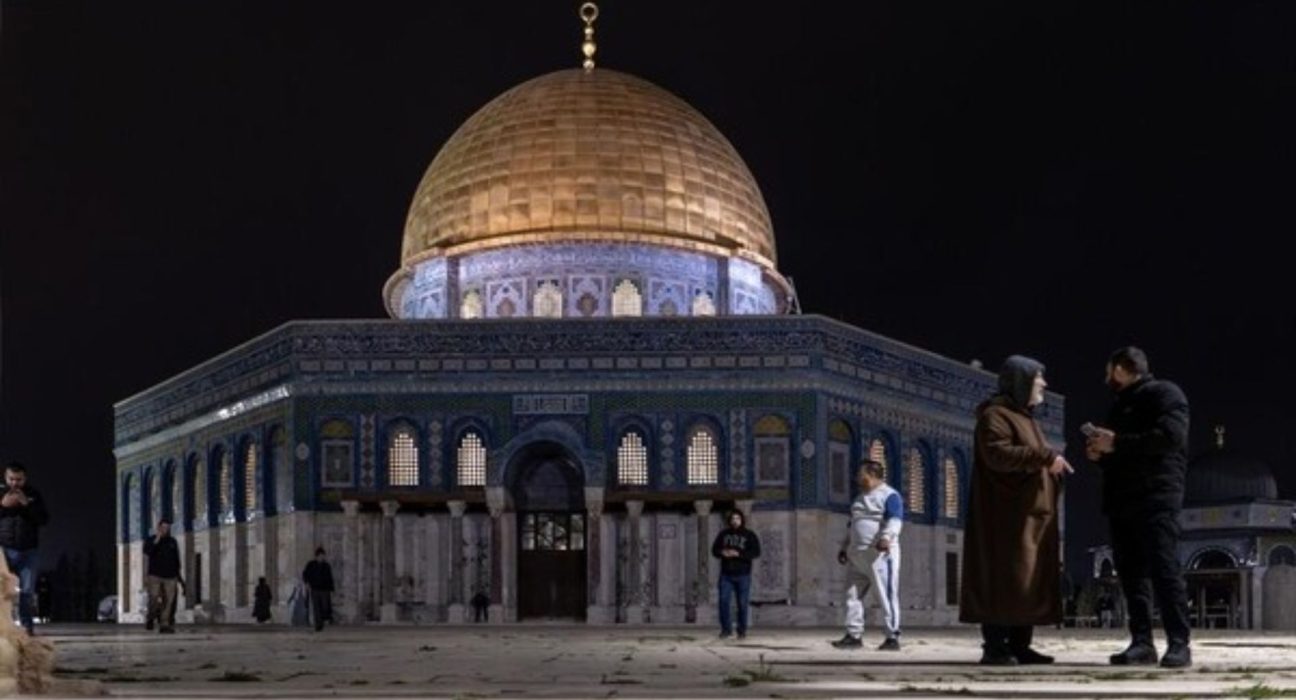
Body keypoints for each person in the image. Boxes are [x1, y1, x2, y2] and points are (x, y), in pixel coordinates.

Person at [960, 355, 1071, 665]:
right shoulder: (994, 416)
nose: (1044, 385)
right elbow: (997, 454)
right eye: (1038, 379)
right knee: (1003, 580)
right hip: (1004, 520)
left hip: (1029, 518)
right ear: (1020, 383)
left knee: (1026, 582)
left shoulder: (1025, 418)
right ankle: (995, 647)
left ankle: (1021, 645)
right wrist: (1045, 457)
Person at [1085, 346, 1192, 669]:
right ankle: (1142, 643)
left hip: (1156, 498)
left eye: (1108, 372)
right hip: (1122, 502)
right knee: (1132, 576)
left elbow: (1170, 438)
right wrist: (1100, 455)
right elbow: (1122, 454)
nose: (1106, 379)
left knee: (1164, 569)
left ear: (1121, 368)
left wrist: (1116, 443)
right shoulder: (1120, 406)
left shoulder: (1166, 394)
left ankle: (1179, 644)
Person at [832, 459, 903, 651]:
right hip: (857, 556)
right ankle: (853, 635)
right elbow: (852, 525)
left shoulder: (890, 495)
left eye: (860, 474)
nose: (857, 478)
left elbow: (895, 520)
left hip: (879, 556)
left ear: (872, 475)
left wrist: (886, 537)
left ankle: (892, 637)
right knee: (852, 595)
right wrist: (844, 547)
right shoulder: (858, 499)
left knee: (886, 596)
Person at [0, 461, 50, 635]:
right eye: (11, 479)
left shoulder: (33, 494)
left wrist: (27, 504)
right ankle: (3, 626)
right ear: (6, 477)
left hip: (28, 551)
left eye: (19, 479)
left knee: (27, 591)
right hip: (4, 551)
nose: (15, 483)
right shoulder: (1, 493)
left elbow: (43, 519)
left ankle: (27, 628)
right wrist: (2, 506)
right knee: (2, 590)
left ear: (25, 478)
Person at [710, 509, 760, 640]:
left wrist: (738, 554)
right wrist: (723, 553)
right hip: (726, 575)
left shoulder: (749, 535)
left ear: (742, 520)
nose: (735, 521)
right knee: (723, 602)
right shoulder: (723, 534)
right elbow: (714, 550)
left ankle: (741, 631)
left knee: (742, 604)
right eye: (733, 519)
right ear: (729, 521)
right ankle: (726, 630)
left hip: (743, 575)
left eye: (737, 518)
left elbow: (756, 552)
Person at [142, 518, 183, 633]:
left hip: (170, 576)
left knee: (169, 601)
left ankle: (164, 624)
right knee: (153, 599)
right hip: (155, 575)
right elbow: (148, 552)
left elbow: (176, 559)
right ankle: (150, 617)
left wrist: (178, 576)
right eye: (164, 527)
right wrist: (157, 540)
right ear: (159, 528)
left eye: (168, 528)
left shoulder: (172, 541)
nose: (166, 530)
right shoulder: (150, 540)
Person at [302, 547, 335, 632]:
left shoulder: (326, 566)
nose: (322, 557)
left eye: (323, 556)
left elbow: (330, 578)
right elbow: (305, 574)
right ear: (316, 556)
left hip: (325, 589)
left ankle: (324, 619)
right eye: (320, 556)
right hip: (315, 588)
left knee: (325, 607)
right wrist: (306, 583)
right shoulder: (311, 565)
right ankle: (318, 625)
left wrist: (332, 589)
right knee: (316, 607)